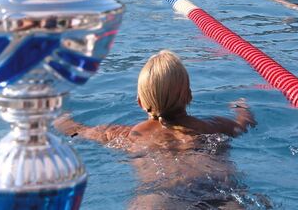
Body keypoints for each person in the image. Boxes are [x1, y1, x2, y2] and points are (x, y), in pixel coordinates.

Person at [55, 50, 256, 209]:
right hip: (217, 189)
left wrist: (59, 115)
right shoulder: (213, 127)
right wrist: (241, 108)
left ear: (140, 102)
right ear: (189, 95)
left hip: (163, 194)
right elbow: (244, 124)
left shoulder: (131, 135)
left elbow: (76, 131)